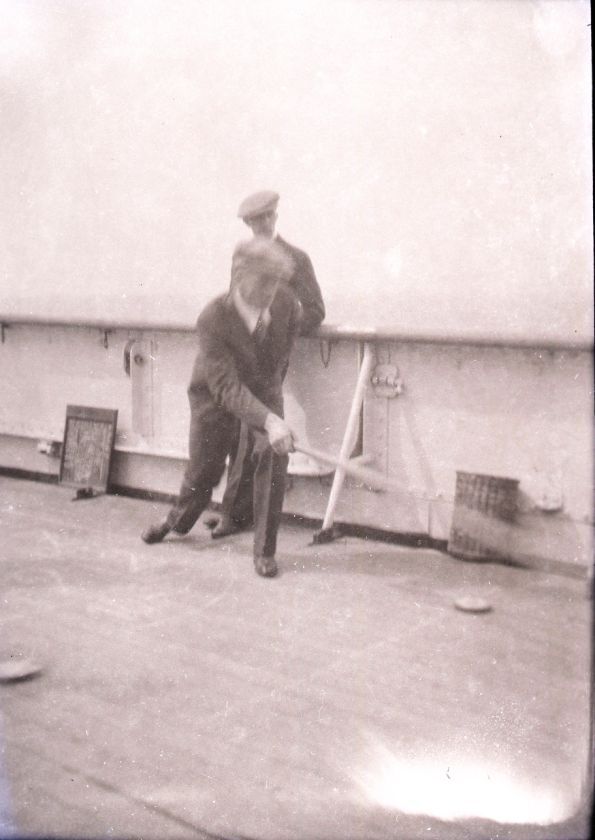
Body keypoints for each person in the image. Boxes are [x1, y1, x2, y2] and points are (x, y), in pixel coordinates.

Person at [141, 237, 300, 578]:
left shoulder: (286, 303)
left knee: (273, 457)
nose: (271, 291)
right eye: (263, 281)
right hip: (214, 396)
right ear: (239, 276)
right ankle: (176, 521)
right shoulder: (213, 318)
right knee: (204, 471)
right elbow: (226, 387)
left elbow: (286, 341)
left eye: (275, 282)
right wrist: (269, 420)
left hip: (263, 392)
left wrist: (270, 407)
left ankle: (265, 551)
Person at [207, 190, 325, 539]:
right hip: (241, 356)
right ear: (247, 223)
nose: (262, 223)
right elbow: (234, 304)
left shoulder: (297, 259)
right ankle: (234, 514)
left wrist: (280, 333)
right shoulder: (242, 257)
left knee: (265, 442)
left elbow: (316, 311)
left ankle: (250, 522)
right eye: (255, 219)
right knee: (239, 433)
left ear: (276, 216)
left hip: (271, 361)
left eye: (267, 216)